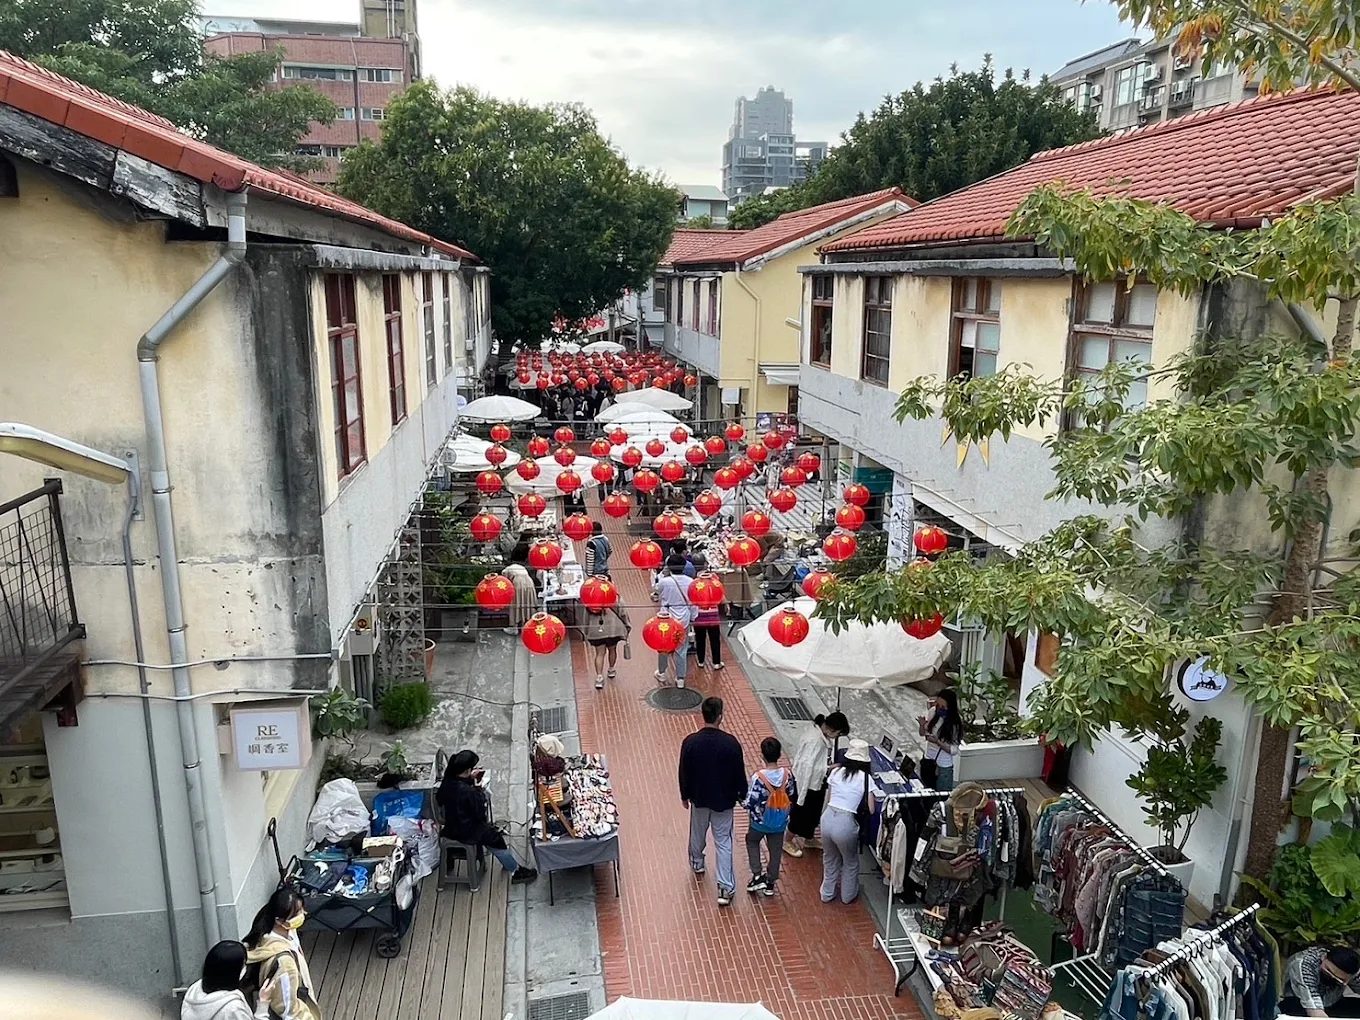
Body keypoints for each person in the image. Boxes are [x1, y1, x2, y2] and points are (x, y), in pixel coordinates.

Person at [678, 697, 747, 907]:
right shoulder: (731, 744)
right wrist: (741, 793)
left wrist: (684, 794)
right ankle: (725, 888)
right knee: (723, 842)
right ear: (720, 716)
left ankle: (697, 862)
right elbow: (739, 774)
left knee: (697, 832)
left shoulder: (690, 742)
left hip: (699, 798)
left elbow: (683, 771)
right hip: (724, 801)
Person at [436, 749, 538, 884]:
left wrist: (469, 780)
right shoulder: (467, 792)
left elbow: (441, 798)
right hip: (466, 829)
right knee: (496, 839)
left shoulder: (448, 781)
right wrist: (478, 789)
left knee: (491, 834)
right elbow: (479, 814)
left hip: (451, 825)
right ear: (467, 770)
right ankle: (515, 871)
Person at [244, 888, 322, 1020]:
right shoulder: (285, 964)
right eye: (297, 913)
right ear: (280, 921)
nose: (304, 914)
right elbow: (287, 1010)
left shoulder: (271, 931)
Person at [785, 711, 850, 857]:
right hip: (806, 786)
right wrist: (828, 769)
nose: (836, 737)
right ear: (832, 729)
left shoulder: (819, 736)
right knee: (799, 814)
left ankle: (809, 837)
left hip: (815, 785)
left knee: (813, 814)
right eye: (838, 733)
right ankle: (787, 840)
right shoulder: (816, 742)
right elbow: (808, 768)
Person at [820, 738, 874, 904]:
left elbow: (828, 798)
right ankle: (847, 895)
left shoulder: (836, 772)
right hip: (846, 822)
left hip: (827, 817)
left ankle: (827, 893)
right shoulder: (866, 779)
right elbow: (871, 809)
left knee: (829, 859)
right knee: (850, 862)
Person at [743, 736, 797, 897]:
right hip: (779, 822)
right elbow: (792, 794)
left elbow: (750, 802)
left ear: (762, 755)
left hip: (759, 822)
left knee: (752, 841)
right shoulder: (787, 775)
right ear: (779, 754)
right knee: (775, 851)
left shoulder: (758, 778)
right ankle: (770, 882)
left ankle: (757, 875)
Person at [182, 941, 272, 1020]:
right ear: (233, 971)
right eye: (243, 965)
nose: (245, 968)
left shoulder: (194, 991)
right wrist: (263, 1004)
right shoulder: (233, 1008)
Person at [652, 554, 696, 688]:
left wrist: (661, 575)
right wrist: (693, 617)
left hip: (666, 620)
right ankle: (680, 678)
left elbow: (656, 591)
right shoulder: (690, 582)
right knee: (681, 649)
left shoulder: (665, 581)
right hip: (684, 620)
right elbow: (694, 602)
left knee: (663, 647)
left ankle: (662, 672)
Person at [1283, 947, 1360, 1017]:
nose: (1332, 977)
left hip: (1331, 1002)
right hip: (1299, 1003)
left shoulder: (1354, 970)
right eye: (1328, 970)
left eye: (1338, 979)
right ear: (1324, 957)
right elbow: (1314, 1010)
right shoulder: (1304, 964)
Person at [918, 687, 963, 790]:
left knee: (941, 796)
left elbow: (953, 750)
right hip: (929, 759)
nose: (939, 708)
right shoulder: (933, 712)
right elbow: (923, 734)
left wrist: (937, 742)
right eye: (938, 705)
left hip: (943, 765)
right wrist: (922, 726)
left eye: (943, 706)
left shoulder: (954, 724)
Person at [584, 595, 630, 689]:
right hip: (613, 629)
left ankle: (599, 677)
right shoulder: (616, 597)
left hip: (596, 630)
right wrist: (627, 626)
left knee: (599, 653)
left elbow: (585, 618)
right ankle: (611, 669)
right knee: (612, 649)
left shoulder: (591, 599)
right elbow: (623, 613)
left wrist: (586, 631)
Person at [503, 541, 540, 634]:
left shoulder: (507, 569)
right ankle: (526, 624)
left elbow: (505, 582)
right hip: (529, 583)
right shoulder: (521, 567)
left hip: (518, 583)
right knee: (527, 603)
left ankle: (514, 627)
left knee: (516, 604)